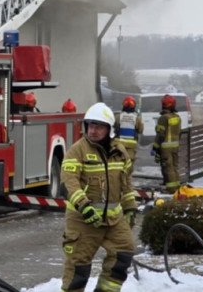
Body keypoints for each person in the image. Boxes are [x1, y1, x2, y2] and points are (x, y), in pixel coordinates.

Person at [59, 102, 136, 292]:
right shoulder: (77, 150)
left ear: (109, 129)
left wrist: (130, 207)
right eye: (90, 126)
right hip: (83, 221)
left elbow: (125, 183)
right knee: (78, 270)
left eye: (98, 127)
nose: (93, 131)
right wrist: (84, 206)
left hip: (113, 220)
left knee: (123, 254)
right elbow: (69, 182)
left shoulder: (120, 151)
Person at [152, 94, 182, 193]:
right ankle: (177, 186)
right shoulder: (177, 117)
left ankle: (171, 189)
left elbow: (160, 134)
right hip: (175, 146)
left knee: (168, 167)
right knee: (175, 166)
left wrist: (155, 147)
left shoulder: (163, 118)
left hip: (166, 147)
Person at [117, 96, 143, 178]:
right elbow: (140, 130)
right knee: (129, 163)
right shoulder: (136, 118)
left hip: (119, 145)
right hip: (131, 145)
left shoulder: (118, 117)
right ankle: (127, 180)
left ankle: (120, 179)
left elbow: (114, 128)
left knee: (120, 162)